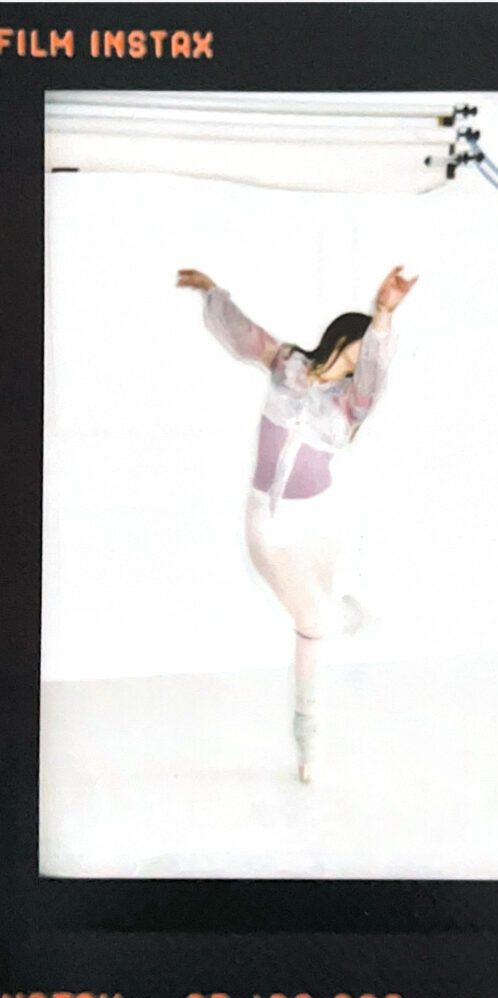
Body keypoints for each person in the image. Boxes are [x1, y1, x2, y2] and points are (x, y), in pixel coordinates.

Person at [177, 265, 417, 783]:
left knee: (314, 629)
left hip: (319, 520)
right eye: (358, 350)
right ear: (340, 340)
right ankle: (343, 627)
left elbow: (376, 373)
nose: (362, 363)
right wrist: (211, 292)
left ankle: (310, 743)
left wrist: (384, 314)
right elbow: (245, 336)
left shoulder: (353, 404)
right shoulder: (289, 366)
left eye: (368, 357)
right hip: (269, 521)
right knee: (315, 621)